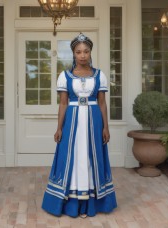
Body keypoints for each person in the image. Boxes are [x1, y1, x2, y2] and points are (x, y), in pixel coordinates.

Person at [41, 33, 117, 218]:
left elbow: (102, 103)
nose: (82, 55)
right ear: (73, 54)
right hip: (72, 123)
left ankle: (91, 204)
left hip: (94, 120)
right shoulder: (65, 76)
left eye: (86, 51)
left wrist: (106, 127)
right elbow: (63, 104)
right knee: (71, 158)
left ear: (90, 52)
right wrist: (59, 128)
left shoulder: (100, 75)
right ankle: (71, 204)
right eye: (78, 52)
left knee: (92, 157)